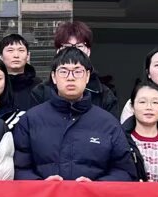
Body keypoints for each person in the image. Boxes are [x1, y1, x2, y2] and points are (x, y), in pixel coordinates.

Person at [14, 46, 133, 181]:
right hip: (45, 194)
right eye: (63, 71)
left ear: (87, 76)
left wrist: (96, 186)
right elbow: (19, 169)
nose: (70, 78)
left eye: (77, 72)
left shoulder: (108, 123)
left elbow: (124, 171)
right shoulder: (31, 120)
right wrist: (42, 185)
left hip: (92, 195)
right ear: (53, 77)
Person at [31, 21, 122, 116]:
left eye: (79, 46)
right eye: (67, 46)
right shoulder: (41, 92)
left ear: (88, 51)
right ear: (58, 51)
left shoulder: (104, 94)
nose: (73, 52)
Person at [0, 33, 44, 112]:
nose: (16, 55)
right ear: (1, 57)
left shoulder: (39, 86)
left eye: (21, 50)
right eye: (10, 50)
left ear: (28, 56)